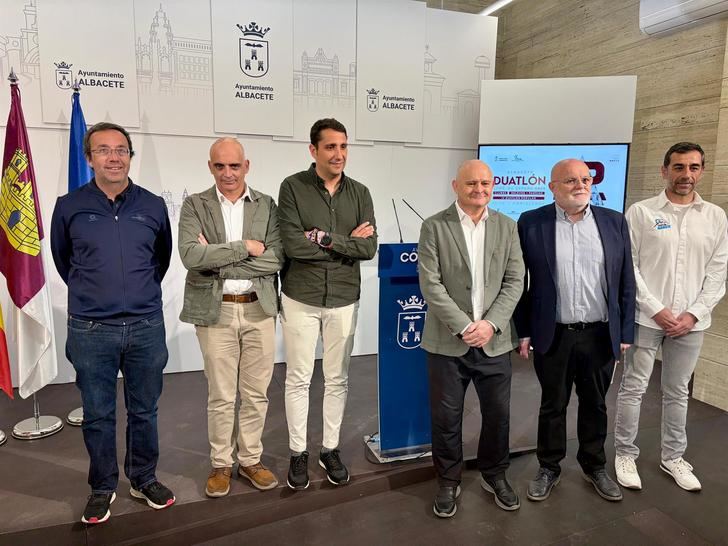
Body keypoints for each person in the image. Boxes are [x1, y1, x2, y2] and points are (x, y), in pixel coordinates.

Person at [50, 122, 174, 524]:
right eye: (103, 150)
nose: (114, 157)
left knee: (144, 411)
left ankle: (143, 478)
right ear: (89, 158)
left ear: (130, 157)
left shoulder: (152, 205)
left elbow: (161, 259)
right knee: (98, 414)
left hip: (145, 326)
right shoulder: (69, 206)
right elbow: (64, 260)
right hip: (91, 329)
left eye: (121, 150)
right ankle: (103, 487)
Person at [515, 158, 635, 503]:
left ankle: (595, 465)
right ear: (552, 187)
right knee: (553, 404)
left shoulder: (613, 221)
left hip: (600, 333)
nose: (580, 185)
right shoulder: (531, 222)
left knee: (595, 403)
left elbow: (626, 280)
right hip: (553, 333)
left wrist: (625, 332)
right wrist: (523, 330)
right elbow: (519, 281)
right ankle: (548, 467)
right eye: (570, 180)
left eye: (585, 179)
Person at [614, 142, 728, 492]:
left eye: (693, 167)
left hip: (691, 324)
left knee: (677, 391)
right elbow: (629, 267)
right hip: (647, 319)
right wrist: (657, 309)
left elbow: (718, 272)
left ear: (702, 171)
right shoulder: (641, 213)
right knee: (633, 387)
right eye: (679, 167)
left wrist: (693, 314)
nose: (686, 174)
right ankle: (625, 454)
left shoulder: (715, 217)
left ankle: (673, 457)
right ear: (665, 171)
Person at [418, 159, 525, 518]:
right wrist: (465, 326)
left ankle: (495, 474)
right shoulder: (435, 226)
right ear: (456, 186)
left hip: (494, 341)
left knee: (498, 415)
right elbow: (430, 284)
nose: (479, 190)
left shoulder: (507, 226)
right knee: (446, 417)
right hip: (448, 343)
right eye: (471, 184)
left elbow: (515, 281)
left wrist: (491, 324)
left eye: (485, 183)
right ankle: (448, 479)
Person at [178, 138, 284, 497]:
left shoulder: (267, 205)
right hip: (215, 310)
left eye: (234, 166)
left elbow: (276, 259)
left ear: (246, 166)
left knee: (256, 394)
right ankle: (221, 464)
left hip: (259, 309)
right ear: (210, 167)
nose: (228, 173)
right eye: (220, 166)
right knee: (221, 395)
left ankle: (250, 459)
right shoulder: (195, 205)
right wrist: (244, 248)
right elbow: (191, 256)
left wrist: (217, 258)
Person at [277, 118, 377, 490]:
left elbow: (369, 247)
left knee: (337, 378)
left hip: (344, 298)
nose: (339, 154)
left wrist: (323, 238)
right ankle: (298, 453)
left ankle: (329, 450)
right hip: (300, 297)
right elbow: (292, 245)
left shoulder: (360, 193)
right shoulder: (292, 187)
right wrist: (346, 244)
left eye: (343, 146)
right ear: (314, 150)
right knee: (298, 378)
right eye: (331, 146)